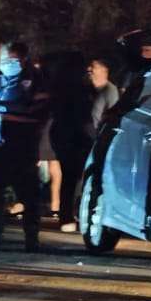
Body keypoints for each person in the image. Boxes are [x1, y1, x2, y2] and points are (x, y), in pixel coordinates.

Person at [0, 40, 51, 252]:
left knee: (28, 192)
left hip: (21, 145)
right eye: (5, 59)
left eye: (13, 59)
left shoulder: (36, 81)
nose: (8, 63)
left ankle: (32, 238)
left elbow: (34, 110)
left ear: (24, 59)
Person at [57, 57, 117, 234]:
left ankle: (83, 215)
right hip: (75, 141)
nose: (89, 70)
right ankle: (67, 215)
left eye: (94, 67)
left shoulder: (109, 91)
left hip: (93, 142)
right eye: (89, 67)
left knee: (86, 180)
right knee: (70, 178)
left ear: (104, 70)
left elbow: (106, 119)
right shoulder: (84, 91)